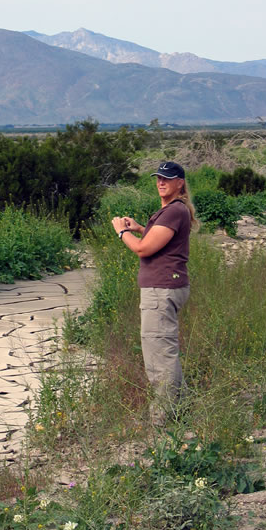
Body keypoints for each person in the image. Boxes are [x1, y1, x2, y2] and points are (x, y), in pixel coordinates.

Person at [111, 161, 197, 425]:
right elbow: (157, 239)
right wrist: (139, 227)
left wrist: (122, 232)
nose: (161, 182)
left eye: (167, 178)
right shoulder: (174, 211)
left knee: (160, 353)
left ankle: (164, 416)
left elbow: (143, 249)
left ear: (180, 183)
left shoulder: (173, 211)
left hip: (161, 290)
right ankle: (175, 408)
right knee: (163, 349)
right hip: (166, 287)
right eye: (158, 178)